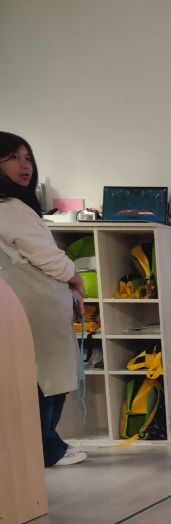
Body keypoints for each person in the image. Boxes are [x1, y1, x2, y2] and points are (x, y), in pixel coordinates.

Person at [0, 132, 87, 466]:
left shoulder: (17, 206)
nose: (24, 166)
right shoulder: (9, 208)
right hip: (35, 302)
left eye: (27, 158)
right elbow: (47, 256)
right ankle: (46, 448)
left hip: (34, 300)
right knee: (45, 378)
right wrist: (75, 277)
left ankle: (45, 445)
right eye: (13, 158)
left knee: (45, 375)